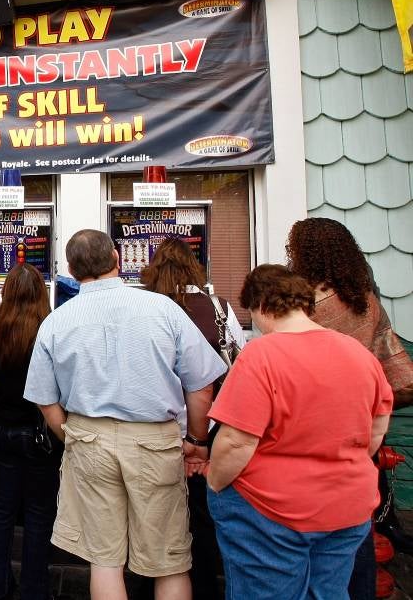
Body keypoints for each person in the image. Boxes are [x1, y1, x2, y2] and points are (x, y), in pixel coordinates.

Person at [23, 229, 226, 600]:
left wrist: (70, 435)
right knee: (170, 560)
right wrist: (197, 442)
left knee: (105, 559)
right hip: (155, 441)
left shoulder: (56, 321)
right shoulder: (163, 309)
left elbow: (43, 397)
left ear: (70, 269)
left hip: (88, 439)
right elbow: (202, 386)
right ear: (118, 258)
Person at [206, 264, 393, 600]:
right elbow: (376, 427)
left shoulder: (261, 355)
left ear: (262, 307)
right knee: (329, 592)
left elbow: (236, 441)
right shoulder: (357, 353)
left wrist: (215, 482)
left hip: (270, 510)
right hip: (347, 505)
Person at [286, 217, 413, 596]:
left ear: (305, 253)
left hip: (314, 423)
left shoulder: (305, 304)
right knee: (357, 518)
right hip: (363, 419)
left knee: (310, 525)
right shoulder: (365, 299)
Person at [136, 237, 247, 600]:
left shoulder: (145, 308)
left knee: (151, 517)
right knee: (202, 518)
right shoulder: (218, 306)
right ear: (193, 268)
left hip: (156, 427)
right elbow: (239, 360)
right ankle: (202, 587)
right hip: (209, 428)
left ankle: (147, 585)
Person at [0, 263, 59, 600]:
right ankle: (34, 590)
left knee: (1, 510)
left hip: (0, 430)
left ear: (6, 292)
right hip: (39, 434)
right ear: (42, 293)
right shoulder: (50, 330)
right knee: (38, 514)